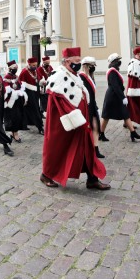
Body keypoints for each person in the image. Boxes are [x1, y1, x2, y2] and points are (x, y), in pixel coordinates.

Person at [40, 47, 110, 190]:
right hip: (65, 125)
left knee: (87, 149)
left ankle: (92, 179)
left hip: (82, 122)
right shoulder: (58, 76)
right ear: (67, 61)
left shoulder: (75, 75)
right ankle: (46, 175)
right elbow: (58, 101)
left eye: (79, 61)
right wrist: (76, 118)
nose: (79, 63)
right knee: (57, 149)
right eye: (76, 61)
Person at [99, 53, 140, 142]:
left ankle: (133, 133)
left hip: (116, 95)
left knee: (125, 114)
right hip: (112, 97)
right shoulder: (112, 71)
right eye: (117, 60)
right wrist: (123, 97)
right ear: (114, 62)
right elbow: (115, 86)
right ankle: (101, 134)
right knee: (106, 116)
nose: (119, 62)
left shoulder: (114, 70)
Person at [79, 56, 105, 159]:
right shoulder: (81, 77)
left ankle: (96, 149)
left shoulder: (90, 76)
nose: (93, 67)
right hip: (86, 106)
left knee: (96, 127)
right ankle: (84, 150)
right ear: (86, 66)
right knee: (87, 129)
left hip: (93, 105)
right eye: (92, 66)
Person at [19, 57, 44, 134]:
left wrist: (42, 83)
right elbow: (21, 83)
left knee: (32, 109)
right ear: (29, 64)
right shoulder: (24, 72)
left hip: (35, 92)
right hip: (28, 93)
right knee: (35, 109)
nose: (35, 67)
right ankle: (40, 127)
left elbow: (39, 78)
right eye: (33, 65)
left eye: (36, 65)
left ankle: (27, 123)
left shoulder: (36, 71)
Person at [3, 60, 26, 142]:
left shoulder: (16, 76)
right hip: (11, 101)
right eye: (14, 68)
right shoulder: (6, 77)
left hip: (18, 100)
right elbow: (6, 89)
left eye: (16, 68)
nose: (16, 69)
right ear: (10, 68)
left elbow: (19, 86)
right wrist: (14, 92)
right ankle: (15, 134)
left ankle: (14, 133)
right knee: (13, 117)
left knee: (18, 117)